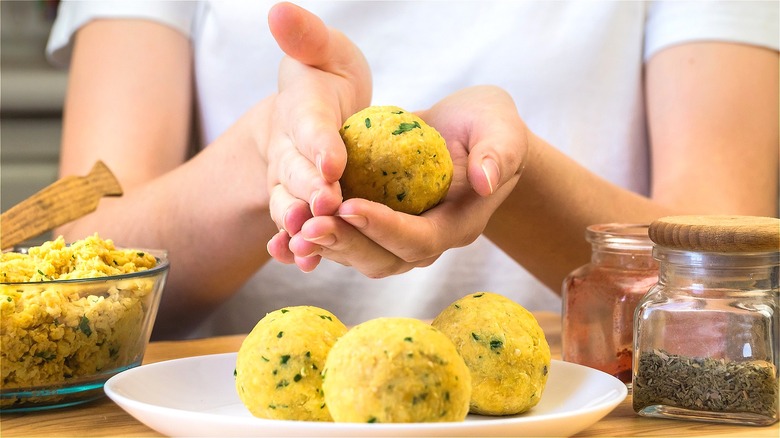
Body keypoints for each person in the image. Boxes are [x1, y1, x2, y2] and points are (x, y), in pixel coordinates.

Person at [46, 1, 778, 339]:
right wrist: (270, 152)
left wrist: (502, 175)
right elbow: (81, 269)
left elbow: (725, 289)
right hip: (227, 419)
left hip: (586, 419)